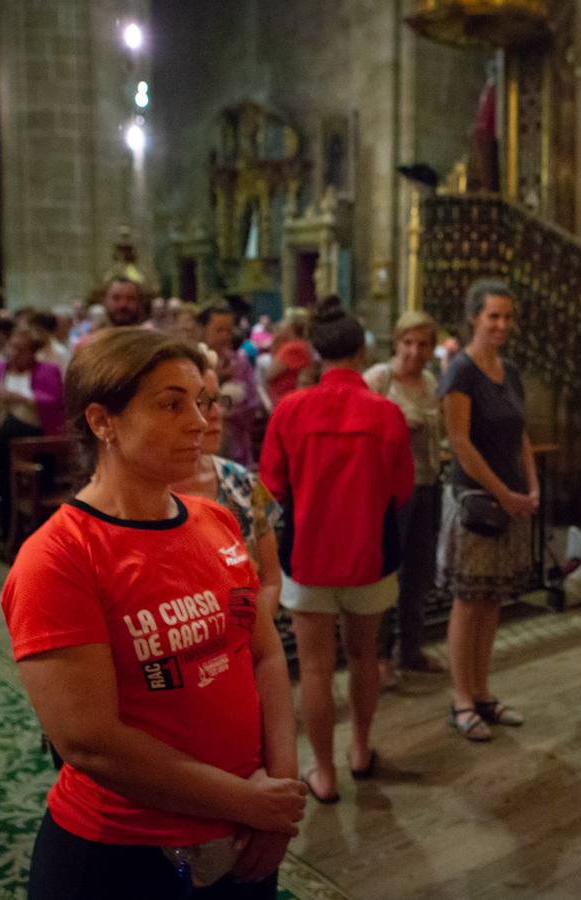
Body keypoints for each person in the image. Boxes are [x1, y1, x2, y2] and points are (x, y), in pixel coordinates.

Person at [0, 328, 304, 899]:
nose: (198, 421)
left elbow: (262, 655)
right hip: (122, 854)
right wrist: (247, 801)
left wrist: (278, 794)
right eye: (171, 404)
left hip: (244, 832)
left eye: (200, 401)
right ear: (102, 422)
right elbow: (91, 743)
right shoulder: (59, 557)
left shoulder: (213, 521)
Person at [260, 298, 414, 803]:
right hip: (370, 554)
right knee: (365, 655)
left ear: (317, 354)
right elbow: (402, 489)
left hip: (307, 555)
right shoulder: (386, 413)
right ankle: (362, 750)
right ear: (362, 349)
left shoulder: (290, 410)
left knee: (317, 669)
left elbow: (273, 484)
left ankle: (323, 773)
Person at [438, 280, 538, 741]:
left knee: (492, 598)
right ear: (474, 317)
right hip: (477, 500)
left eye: (507, 317)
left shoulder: (509, 370)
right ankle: (461, 697)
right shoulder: (461, 372)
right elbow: (461, 443)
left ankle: (482, 690)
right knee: (469, 600)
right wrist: (503, 493)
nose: (501, 325)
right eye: (492, 316)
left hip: (511, 496)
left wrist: (532, 487)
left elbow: (520, 434)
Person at [365, 310, 447, 681]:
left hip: (427, 481)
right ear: (396, 343)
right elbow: (358, 430)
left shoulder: (430, 381)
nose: (415, 351)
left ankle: (410, 647)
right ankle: (378, 654)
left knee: (419, 570)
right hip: (390, 489)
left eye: (423, 344)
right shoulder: (380, 380)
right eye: (408, 343)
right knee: (387, 571)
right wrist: (394, 427)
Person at [172, 347, 282, 621]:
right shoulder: (142, 496)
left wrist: (252, 639)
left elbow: (269, 579)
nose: (215, 414)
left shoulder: (242, 482)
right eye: (200, 404)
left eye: (216, 400)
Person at [0, 325, 65, 528]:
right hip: (2, 441)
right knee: (5, 478)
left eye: (21, 349)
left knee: (41, 475)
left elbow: (56, 401)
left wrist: (25, 399)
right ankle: (7, 528)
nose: (14, 353)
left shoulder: (48, 370)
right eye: (11, 347)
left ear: (32, 352)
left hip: (38, 440)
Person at [200, 303, 259, 467]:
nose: (225, 336)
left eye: (229, 330)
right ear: (204, 330)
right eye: (219, 330)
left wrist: (227, 413)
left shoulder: (240, 362)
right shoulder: (193, 364)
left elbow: (252, 403)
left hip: (236, 449)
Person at [262, 310, 314, 408]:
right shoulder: (302, 345)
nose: (280, 325)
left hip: (286, 402)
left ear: (291, 326)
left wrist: (275, 342)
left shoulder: (292, 348)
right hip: (293, 400)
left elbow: (269, 375)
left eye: (284, 321)